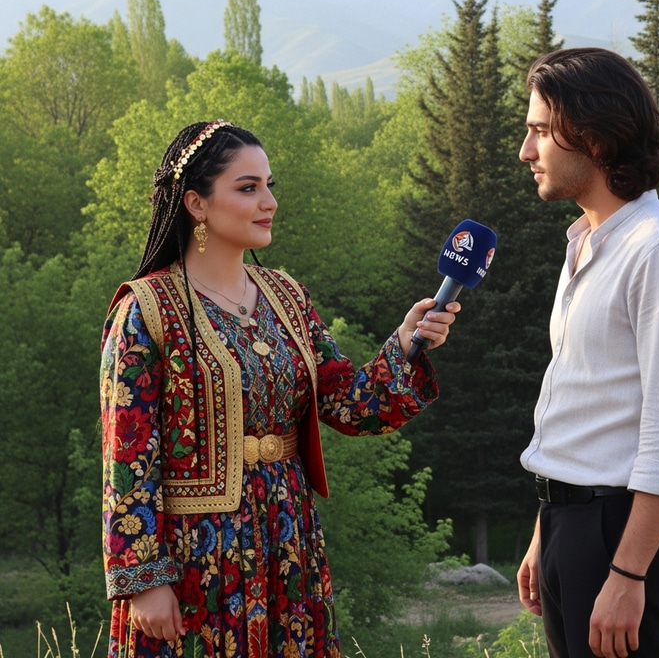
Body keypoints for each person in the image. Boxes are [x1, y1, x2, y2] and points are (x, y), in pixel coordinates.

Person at [100, 120, 460, 658]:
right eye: (248, 188)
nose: (268, 201)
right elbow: (127, 458)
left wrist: (406, 343)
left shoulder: (286, 296)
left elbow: (348, 405)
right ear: (196, 204)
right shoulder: (146, 311)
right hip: (195, 555)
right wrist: (143, 579)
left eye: (269, 185)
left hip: (288, 539)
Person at [515, 48, 659, 658]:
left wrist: (629, 575)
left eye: (540, 132)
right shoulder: (588, 243)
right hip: (571, 523)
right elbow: (582, 404)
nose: (527, 152)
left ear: (595, 138)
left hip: (619, 533)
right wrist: (543, 530)